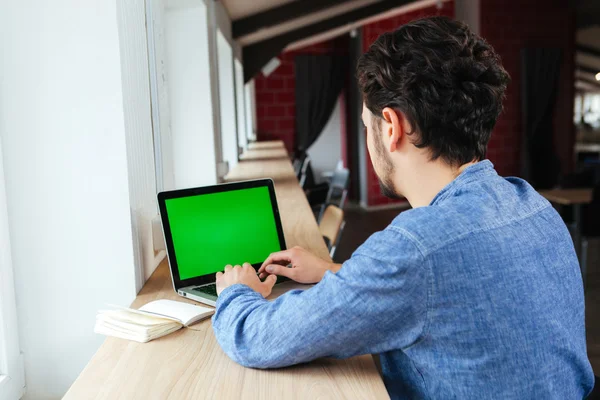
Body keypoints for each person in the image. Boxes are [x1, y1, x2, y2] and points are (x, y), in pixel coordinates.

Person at [211, 16, 594, 399]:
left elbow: (256, 338)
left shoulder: (415, 248)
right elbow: (455, 280)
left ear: (391, 126)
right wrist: (335, 272)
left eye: (366, 125)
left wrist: (236, 292)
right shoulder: (533, 205)